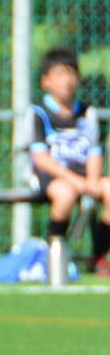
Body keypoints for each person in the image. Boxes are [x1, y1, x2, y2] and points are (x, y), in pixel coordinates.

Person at [26, 47, 110, 280]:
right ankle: (54, 256)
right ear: (46, 81)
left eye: (71, 73)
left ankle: (99, 257)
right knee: (65, 194)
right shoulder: (39, 113)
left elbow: (94, 151)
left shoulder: (87, 112)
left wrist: (92, 180)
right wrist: (74, 181)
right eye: (60, 74)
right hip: (50, 175)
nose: (67, 80)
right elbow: (41, 159)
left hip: (84, 175)